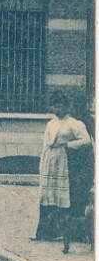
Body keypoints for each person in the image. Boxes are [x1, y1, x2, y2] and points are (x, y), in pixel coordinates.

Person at [34, 92, 92, 245]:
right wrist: (42, 164)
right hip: (49, 162)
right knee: (47, 195)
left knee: (61, 195)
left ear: (66, 107)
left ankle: (63, 232)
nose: (57, 109)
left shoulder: (74, 124)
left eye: (59, 106)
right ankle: (46, 232)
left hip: (63, 162)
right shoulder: (50, 124)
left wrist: (68, 145)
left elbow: (86, 141)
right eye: (54, 106)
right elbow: (45, 145)